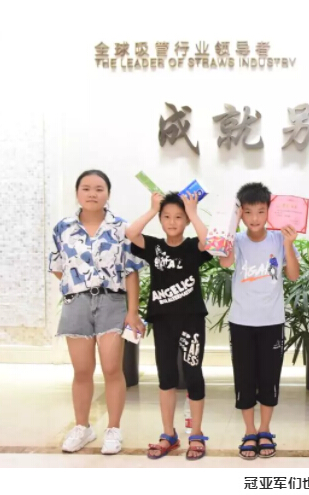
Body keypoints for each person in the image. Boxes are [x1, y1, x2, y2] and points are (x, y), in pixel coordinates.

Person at [48, 170, 145, 455]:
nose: (92, 193)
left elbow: (131, 271)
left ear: (108, 194)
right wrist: (79, 287)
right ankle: (83, 427)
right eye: (86, 188)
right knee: (82, 370)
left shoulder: (120, 228)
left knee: (112, 369)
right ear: (77, 192)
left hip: (112, 302)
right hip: (76, 303)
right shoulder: (63, 228)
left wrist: (132, 312)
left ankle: (113, 429)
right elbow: (58, 267)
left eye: (99, 189)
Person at [126, 191, 213, 460]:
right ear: (160, 220)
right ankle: (168, 434)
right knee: (166, 377)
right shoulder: (154, 246)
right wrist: (153, 209)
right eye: (166, 217)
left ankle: (196, 434)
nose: (172, 222)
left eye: (178, 217)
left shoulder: (192, 247)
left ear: (186, 221)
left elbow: (210, 242)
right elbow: (131, 232)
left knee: (193, 374)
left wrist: (193, 212)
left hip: (191, 321)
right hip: (163, 321)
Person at [219, 182, 300, 460]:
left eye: (261, 211)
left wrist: (288, 244)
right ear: (240, 213)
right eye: (248, 212)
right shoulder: (237, 240)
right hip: (241, 322)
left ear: (269, 212)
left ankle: (265, 429)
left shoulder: (279, 239)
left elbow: (293, 275)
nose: (254, 218)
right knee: (244, 378)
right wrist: (229, 230)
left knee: (269, 378)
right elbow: (225, 263)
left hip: (272, 322)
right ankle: (249, 430)